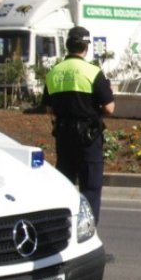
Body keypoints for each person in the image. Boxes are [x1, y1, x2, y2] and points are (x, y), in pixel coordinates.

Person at [42, 26, 115, 222]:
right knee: (90, 188)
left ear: (67, 46)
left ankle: (63, 228)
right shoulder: (92, 72)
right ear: (86, 47)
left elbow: (49, 109)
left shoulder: (54, 72)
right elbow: (109, 108)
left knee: (65, 185)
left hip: (64, 138)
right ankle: (87, 235)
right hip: (88, 139)